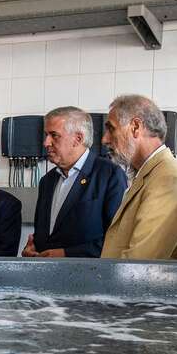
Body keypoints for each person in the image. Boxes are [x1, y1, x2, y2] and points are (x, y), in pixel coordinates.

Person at [100, 95, 177, 260]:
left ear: (135, 127)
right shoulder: (152, 175)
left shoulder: (169, 182)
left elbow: (139, 264)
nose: (104, 139)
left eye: (111, 129)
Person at [22, 106, 127, 258]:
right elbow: (44, 234)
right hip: (45, 270)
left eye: (54, 135)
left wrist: (66, 254)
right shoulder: (47, 181)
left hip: (88, 272)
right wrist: (33, 247)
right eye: (46, 135)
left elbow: (117, 240)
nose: (46, 143)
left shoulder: (109, 175)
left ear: (78, 139)